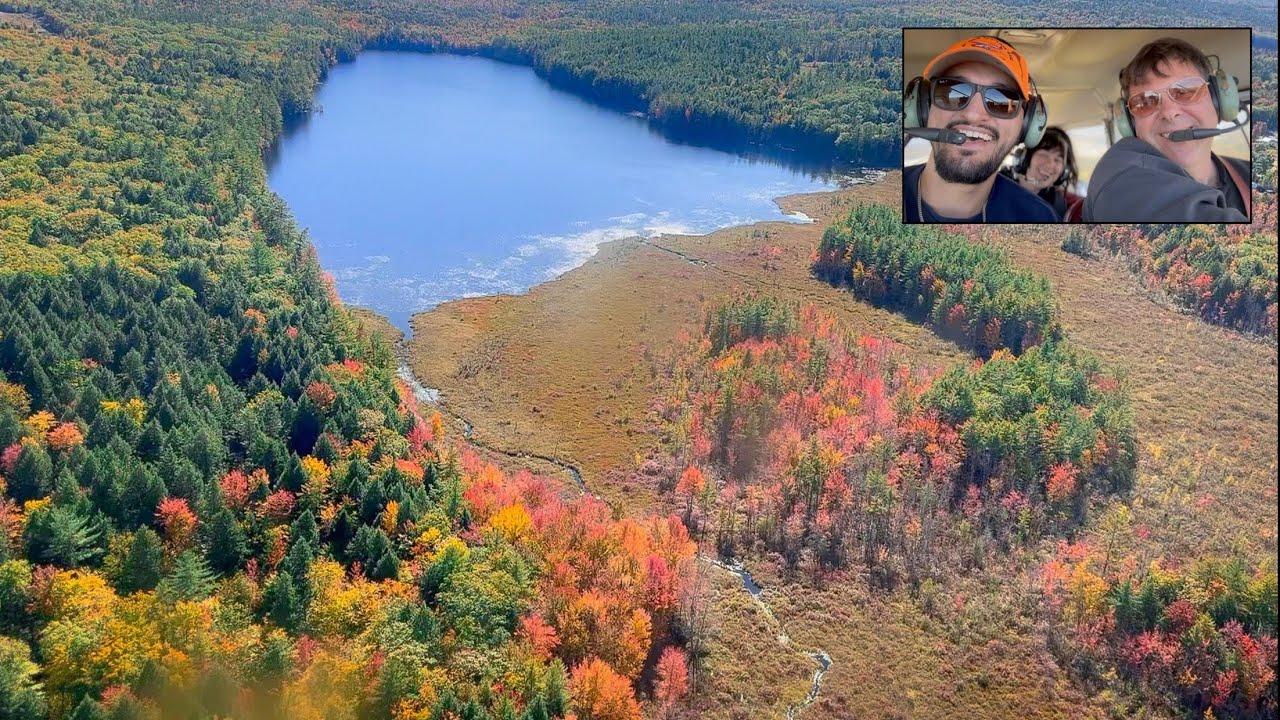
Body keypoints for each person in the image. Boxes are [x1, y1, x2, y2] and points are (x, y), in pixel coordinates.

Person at [1084, 37, 1250, 222]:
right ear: (1130, 124)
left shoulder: (1252, 175)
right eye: (1145, 102)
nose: (1169, 113)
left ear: (1218, 100)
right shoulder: (1121, 182)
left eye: (1185, 91)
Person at [903, 36, 1058, 223]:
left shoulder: (1040, 218)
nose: (973, 115)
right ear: (923, 108)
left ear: (1027, 124)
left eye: (1001, 101)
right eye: (952, 92)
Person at [1006, 127, 1084, 221]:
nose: (1050, 165)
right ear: (1025, 158)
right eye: (1044, 154)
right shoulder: (996, 187)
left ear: (1064, 173)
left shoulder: (1057, 205)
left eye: (1058, 160)